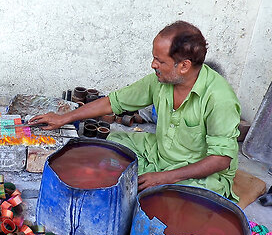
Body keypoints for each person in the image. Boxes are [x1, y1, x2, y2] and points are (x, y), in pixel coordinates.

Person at [30, 21, 241, 201]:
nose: (153, 64)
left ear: (184, 66)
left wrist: (165, 177)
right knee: (108, 145)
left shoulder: (220, 98)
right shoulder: (160, 81)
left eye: (160, 61)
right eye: (154, 57)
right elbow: (114, 102)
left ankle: (155, 183)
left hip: (197, 173)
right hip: (158, 153)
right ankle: (148, 179)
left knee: (170, 202)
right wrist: (63, 118)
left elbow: (221, 159)